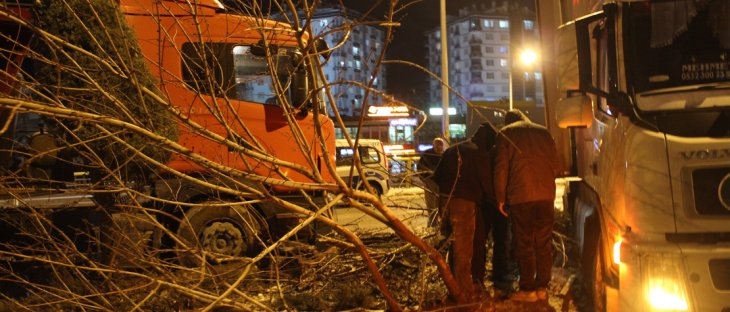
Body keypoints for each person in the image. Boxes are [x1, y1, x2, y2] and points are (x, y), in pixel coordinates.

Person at [493, 109, 561, 303]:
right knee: (543, 241)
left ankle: (528, 288)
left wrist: (500, 197)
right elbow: (556, 165)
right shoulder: (544, 132)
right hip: (546, 196)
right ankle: (542, 287)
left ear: (508, 121)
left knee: (525, 242)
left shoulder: (505, 133)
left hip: (520, 196)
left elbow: (501, 168)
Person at [431, 123, 497, 303]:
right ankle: (465, 296)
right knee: (464, 251)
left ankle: (452, 288)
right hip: (464, 204)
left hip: (444, 201)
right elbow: (488, 186)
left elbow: (435, 177)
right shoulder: (479, 153)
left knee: (448, 245)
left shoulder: (453, 150)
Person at [418, 137, 446, 226]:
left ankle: (442, 225)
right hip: (430, 182)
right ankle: (432, 225)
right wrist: (425, 179)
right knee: (431, 206)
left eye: (441, 145)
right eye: (437, 145)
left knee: (442, 205)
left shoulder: (445, 155)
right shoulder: (427, 155)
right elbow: (420, 169)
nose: (439, 147)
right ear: (433, 145)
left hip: (442, 183)